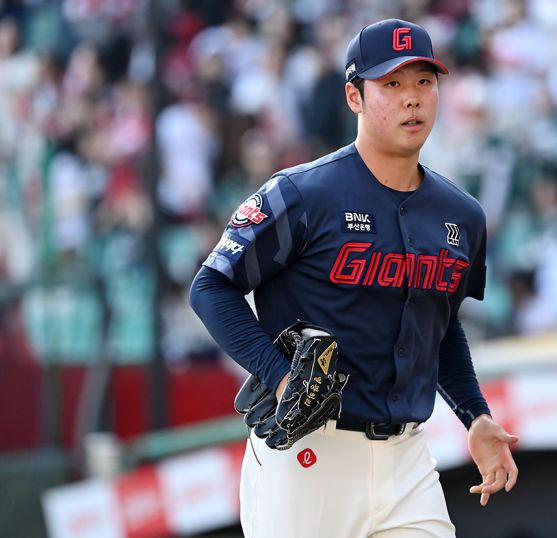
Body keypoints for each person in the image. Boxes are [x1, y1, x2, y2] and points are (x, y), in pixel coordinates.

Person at [189, 18, 518, 537]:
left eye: (424, 81)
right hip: (307, 456)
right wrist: (279, 376)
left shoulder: (462, 214)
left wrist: (475, 415)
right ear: (354, 96)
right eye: (392, 83)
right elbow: (210, 287)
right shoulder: (301, 194)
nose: (412, 97)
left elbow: (440, 324)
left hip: (408, 460)